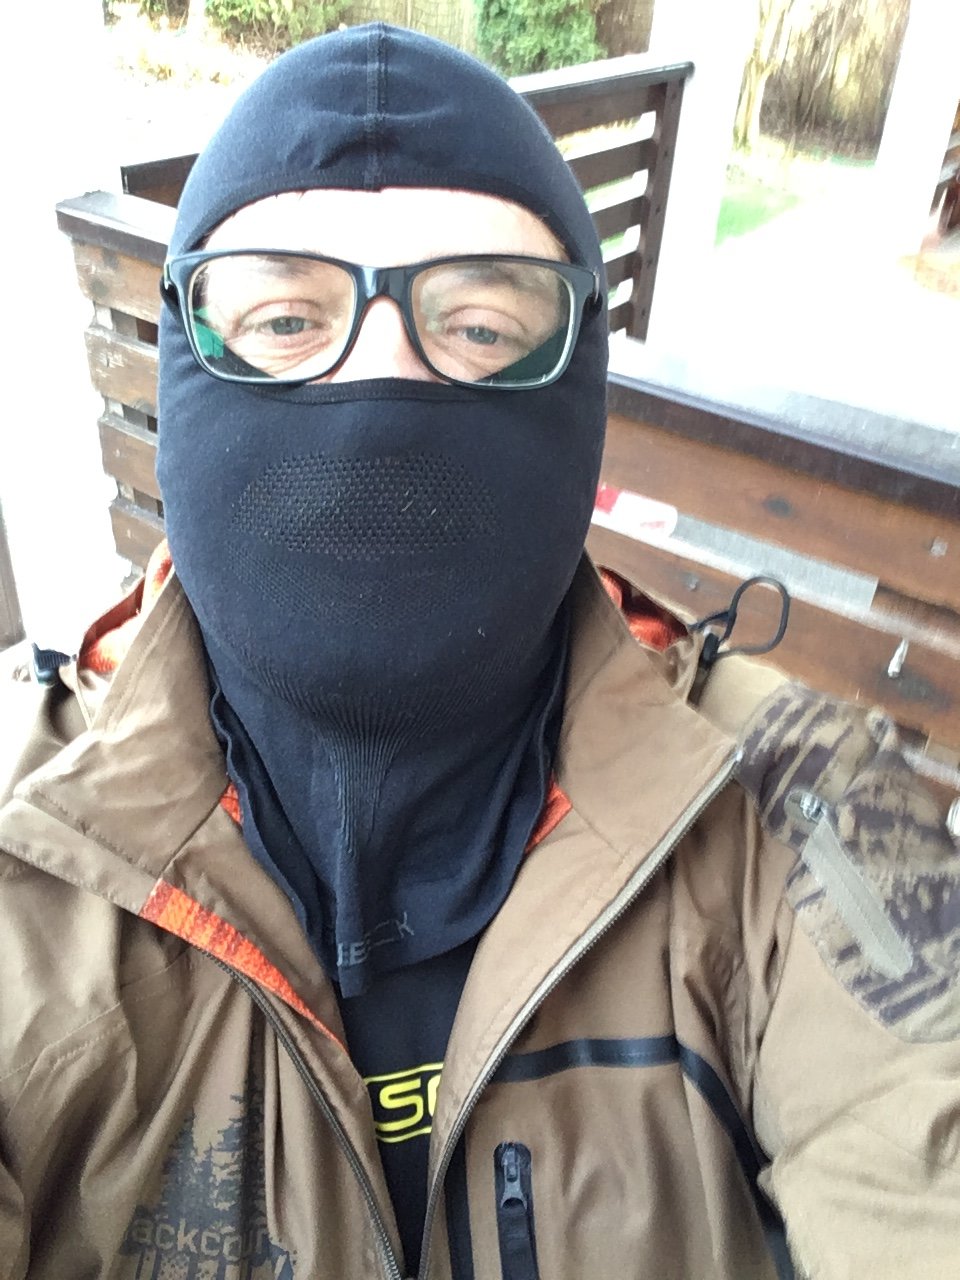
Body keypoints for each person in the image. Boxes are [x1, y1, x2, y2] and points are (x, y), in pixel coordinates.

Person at [1, 22, 958, 1280]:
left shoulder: (794, 802)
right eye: (285, 317)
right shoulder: (31, 844)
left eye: (482, 327)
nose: (380, 389)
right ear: (187, 369)